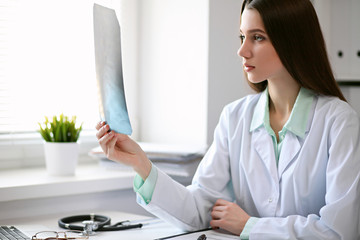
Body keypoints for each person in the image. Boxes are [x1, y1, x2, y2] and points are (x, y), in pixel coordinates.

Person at [96, 0, 360, 239]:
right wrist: (141, 164)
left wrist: (250, 225)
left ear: (292, 41)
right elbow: (199, 210)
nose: (242, 50)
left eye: (257, 37)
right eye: (242, 36)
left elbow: (337, 232)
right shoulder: (235, 118)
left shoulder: (339, 122)